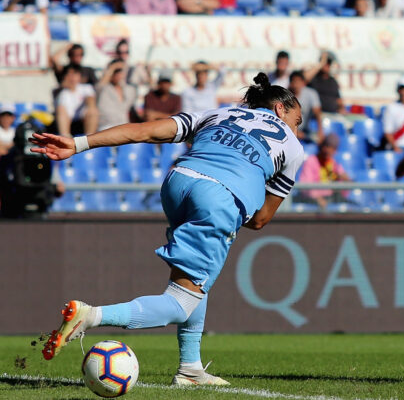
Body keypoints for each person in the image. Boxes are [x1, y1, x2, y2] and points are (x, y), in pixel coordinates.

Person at [35, 73, 304, 388]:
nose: (297, 129)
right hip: (218, 196)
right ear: (279, 109)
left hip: (178, 181)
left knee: (193, 283)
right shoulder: (293, 146)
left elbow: (146, 131)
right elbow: (260, 221)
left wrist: (79, 143)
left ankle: (190, 368)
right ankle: (90, 316)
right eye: (297, 121)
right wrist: (234, 205)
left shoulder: (216, 113)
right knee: (180, 302)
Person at [297, 133, 350, 209]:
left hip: (331, 199)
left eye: (332, 148)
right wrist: (317, 198)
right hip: (313, 201)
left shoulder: (335, 164)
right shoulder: (311, 161)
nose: (328, 150)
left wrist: (345, 181)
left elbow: (343, 192)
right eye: (327, 146)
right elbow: (305, 187)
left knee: (353, 207)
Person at [55, 64, 99, 137]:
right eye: (69, 74)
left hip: (83, 120)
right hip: (68, 122)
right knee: (60, 110)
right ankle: (65, 137)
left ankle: (90, 139)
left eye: (74, 74)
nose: (72, 77)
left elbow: (91, 100)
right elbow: (61, 110)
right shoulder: (62, 93)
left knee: (93, 111)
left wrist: (89, 105)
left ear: (79, 76)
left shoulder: (86, 88)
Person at [95, 60, 138, 131]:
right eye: (116, 71)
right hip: (106, 127)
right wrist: (112, 68)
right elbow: (99, 87)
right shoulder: (104, 89)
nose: (119, 74)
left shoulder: (129, 90)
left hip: (124, 127)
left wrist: (123, 68)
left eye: (121, 71)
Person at [288, 70, 324, 143]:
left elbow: (317, 112)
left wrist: (320, 131)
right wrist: (295, 132)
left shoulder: (311, 93)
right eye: (294, 81)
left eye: (298, 81)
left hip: (306, 131)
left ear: (303, 83)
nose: (296, 84)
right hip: (289, 132)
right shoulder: (285, 96)